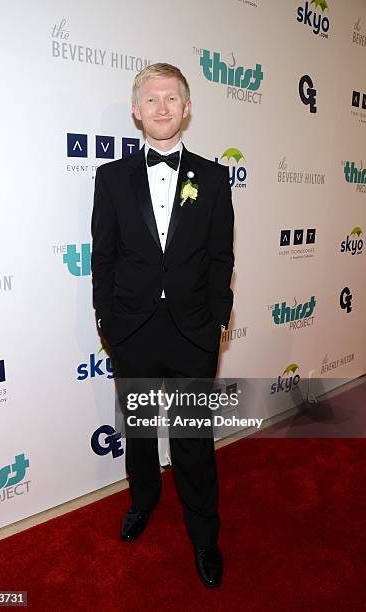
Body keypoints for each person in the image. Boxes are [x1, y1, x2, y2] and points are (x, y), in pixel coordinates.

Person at [91, 63, 234, 588]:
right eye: (150, 99)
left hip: (193, 331)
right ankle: (144, 500)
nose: (161, 108)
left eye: (171, 98)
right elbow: (102, 257)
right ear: (136, 110)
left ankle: (204, 535)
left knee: (194, 440)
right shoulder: (111, 178)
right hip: (132, 330)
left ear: (187, 107)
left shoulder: (214, 178)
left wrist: (218, 318)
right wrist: (107, 319)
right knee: (141, 430)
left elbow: (222, 257)